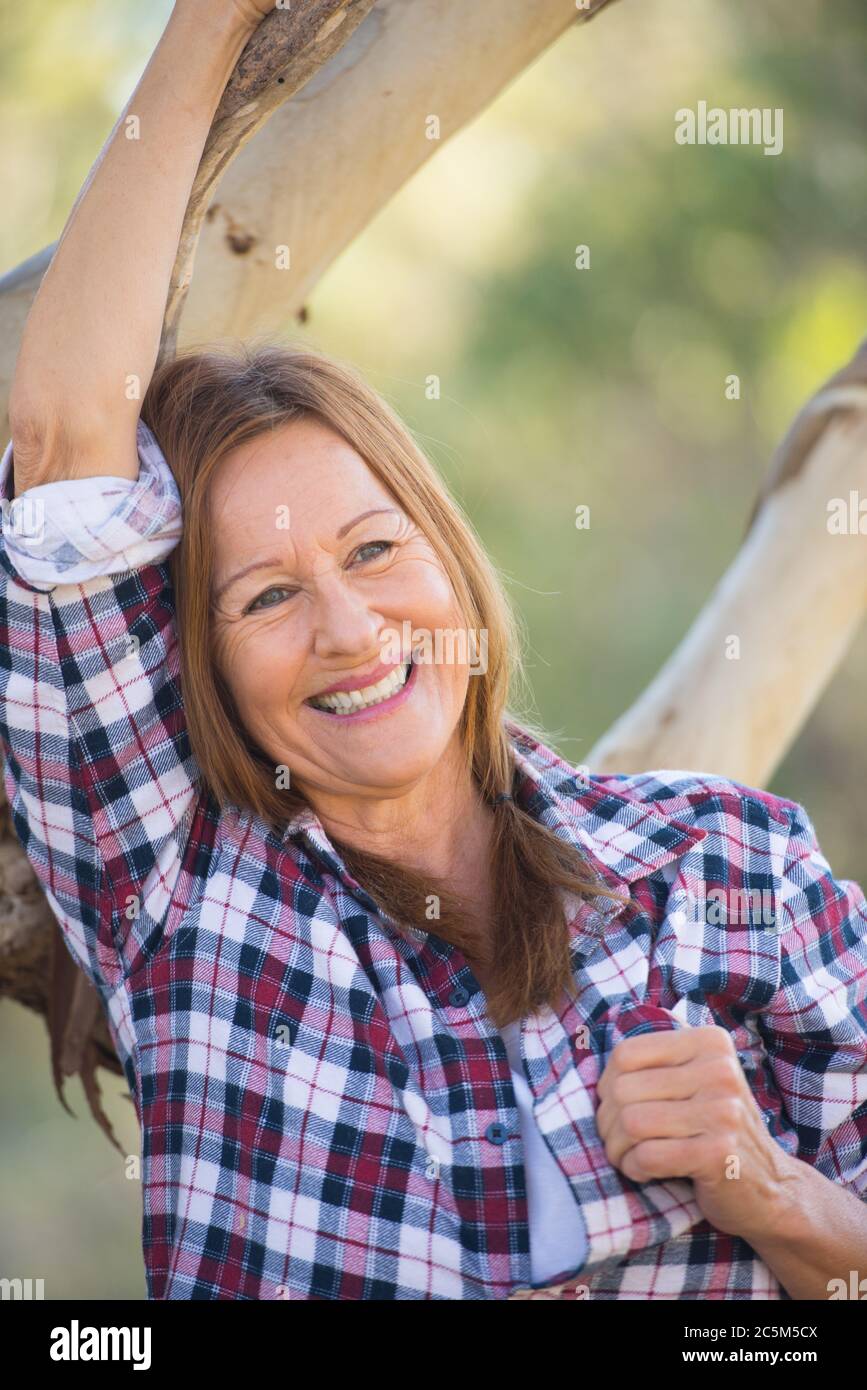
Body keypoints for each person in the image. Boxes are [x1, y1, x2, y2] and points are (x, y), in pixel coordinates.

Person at [1, 0, 865, 1301]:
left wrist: (772, 1189)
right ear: (206, 668)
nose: (350, 629)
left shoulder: (735, 864)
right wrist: (208, 28)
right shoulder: (181, 888)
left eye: (369, 551)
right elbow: (67, 451)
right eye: (265, 598)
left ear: (449, 554)